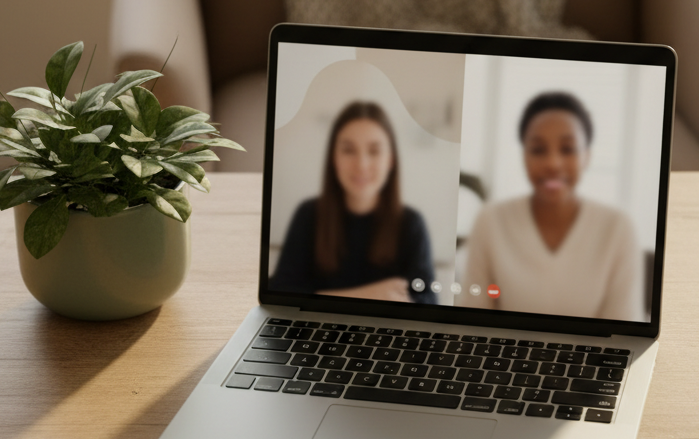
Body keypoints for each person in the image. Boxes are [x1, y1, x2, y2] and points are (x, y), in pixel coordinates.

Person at [458, 92, 643, 320]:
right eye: (538, 150)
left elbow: (623, 327)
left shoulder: (617, 227)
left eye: (568, 149)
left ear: (587, 156)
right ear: (524, 156)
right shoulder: (490, 220)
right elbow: (475, 318)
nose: (553, 163)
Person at [270, 101, 436, 303]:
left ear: (390, 160)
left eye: (374, 151)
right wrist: (372, 295)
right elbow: (281, 293)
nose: (362, 164)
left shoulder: (411, 224)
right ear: (333, 158)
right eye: (348, 150)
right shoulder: (309, 214)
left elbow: (427, 301)